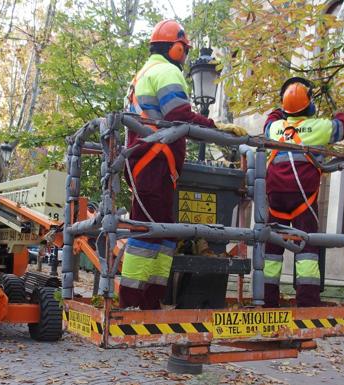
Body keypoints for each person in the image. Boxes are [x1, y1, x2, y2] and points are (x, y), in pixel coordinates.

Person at [120, 19, 246, 310]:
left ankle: (150, 301)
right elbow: (180, 116)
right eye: (185, 50)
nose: (185, 56)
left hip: (151, 164)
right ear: (176, 49)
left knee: (164, 233)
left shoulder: (145, 73)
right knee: (147, 233)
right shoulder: (167, 72)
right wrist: (217, 127)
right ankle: (132, 303)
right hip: (153, 164)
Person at [263, 77, 344, 307]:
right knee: (307, 249)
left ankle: (266, 298)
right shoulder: (320, 127)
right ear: (310, 106)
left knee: (271, 249)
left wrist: (280, 109)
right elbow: (343, 124)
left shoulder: (275, 128)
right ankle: (307, 300)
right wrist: (338, 109)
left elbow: (269, 121)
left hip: (275, 197)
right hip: (303, 197)